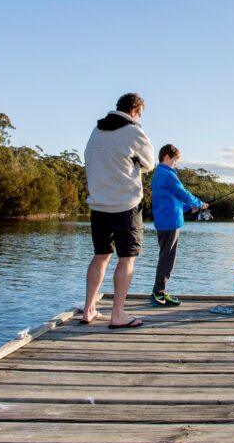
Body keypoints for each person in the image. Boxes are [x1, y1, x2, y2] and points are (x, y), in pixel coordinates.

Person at [82, 92, 154, 329]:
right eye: (140, 114)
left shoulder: (96, 131)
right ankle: (118, 315)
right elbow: (149, 163)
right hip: (126, 205)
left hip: (98, 205)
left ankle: (89, 309)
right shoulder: (134, 131)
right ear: (135, 111)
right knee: (126, 260)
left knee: (101, 256)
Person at [149, 144, 208, 307]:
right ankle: (159, 293)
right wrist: (199, 203)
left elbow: (172, 200)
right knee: (167, 258)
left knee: (165, 257)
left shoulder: (159, 174)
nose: (175, 163)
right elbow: (183, 193)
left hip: (165, 220)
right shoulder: (167, 174)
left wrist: (190, 207)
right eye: (175, 160)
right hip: (170, 222)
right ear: (167, 157)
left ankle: (159, 291)